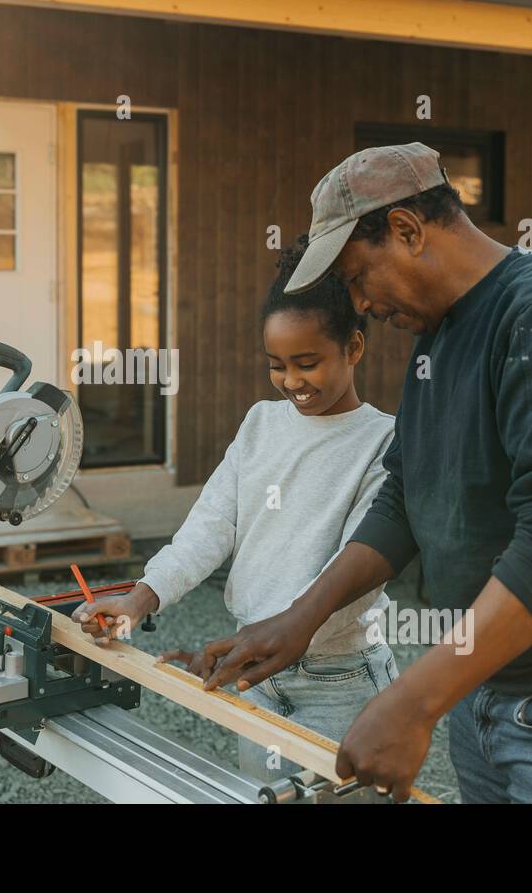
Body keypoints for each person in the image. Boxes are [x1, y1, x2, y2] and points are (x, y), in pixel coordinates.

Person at [184, 142, 532, 803]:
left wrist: (412, 700)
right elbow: (405, 494)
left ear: (406, 229)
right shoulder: (438, 335)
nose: (360, 303)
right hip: (487, 681)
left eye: (356, 276)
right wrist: (301, 619)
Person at [73, 234, 398, 780]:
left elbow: (353, 572)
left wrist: (251, 643)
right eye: (277, 364)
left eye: (308, 362)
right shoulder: (260, 424)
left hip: (339, 683)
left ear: (355, 348)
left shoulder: (383, 442)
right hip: (257, 675)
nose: (292, 381)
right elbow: (210, 526)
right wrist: (139, 600)